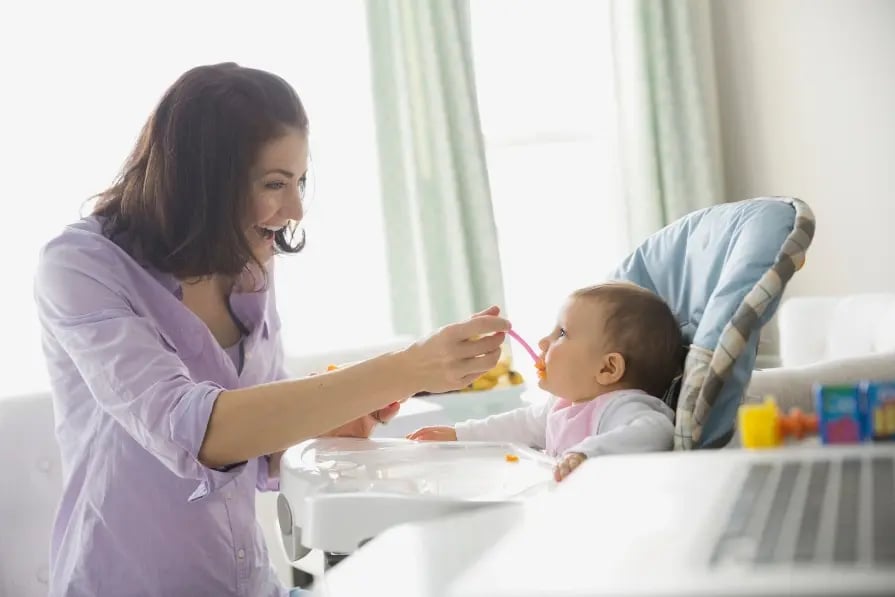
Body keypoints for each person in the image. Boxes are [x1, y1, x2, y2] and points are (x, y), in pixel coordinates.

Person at [34, 62, 510, 597]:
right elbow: (197, 434)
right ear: (204, 182)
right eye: (275, 184)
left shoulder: (247, 261)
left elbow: (256, 437)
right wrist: (408, 368)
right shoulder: (81, 267)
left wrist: (324, 426)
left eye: (299, 181)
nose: (296, 209)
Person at [409, 283, 683, 481]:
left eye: (562, 333)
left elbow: (656, 431)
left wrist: (587, 455)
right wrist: (460, 435)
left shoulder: (621, 406)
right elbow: (519, 424)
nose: (543, 342)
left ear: (608, 368)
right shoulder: (560, 405)